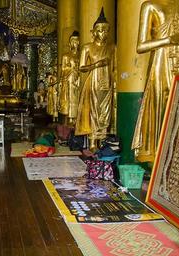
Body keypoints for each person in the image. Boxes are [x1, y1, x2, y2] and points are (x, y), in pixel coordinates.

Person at [131, 0, 179, 163]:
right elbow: (141, 46)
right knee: (161, 109)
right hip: (160, 64)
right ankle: (156, 158)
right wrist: (170, 40)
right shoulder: (151, 5)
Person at [75, 8, 116, 151]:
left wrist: (115, 84)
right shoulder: (87, 47)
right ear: (93, 32)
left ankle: (103, 140)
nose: (103, 33)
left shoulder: (112, 47)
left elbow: (115, 67)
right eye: (100, 30)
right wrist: (95, 65)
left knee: (105, 112)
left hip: (107, 81)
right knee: (93, 110)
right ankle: (93, 141)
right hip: (93, 82)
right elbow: (81, 68)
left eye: (106, 30)